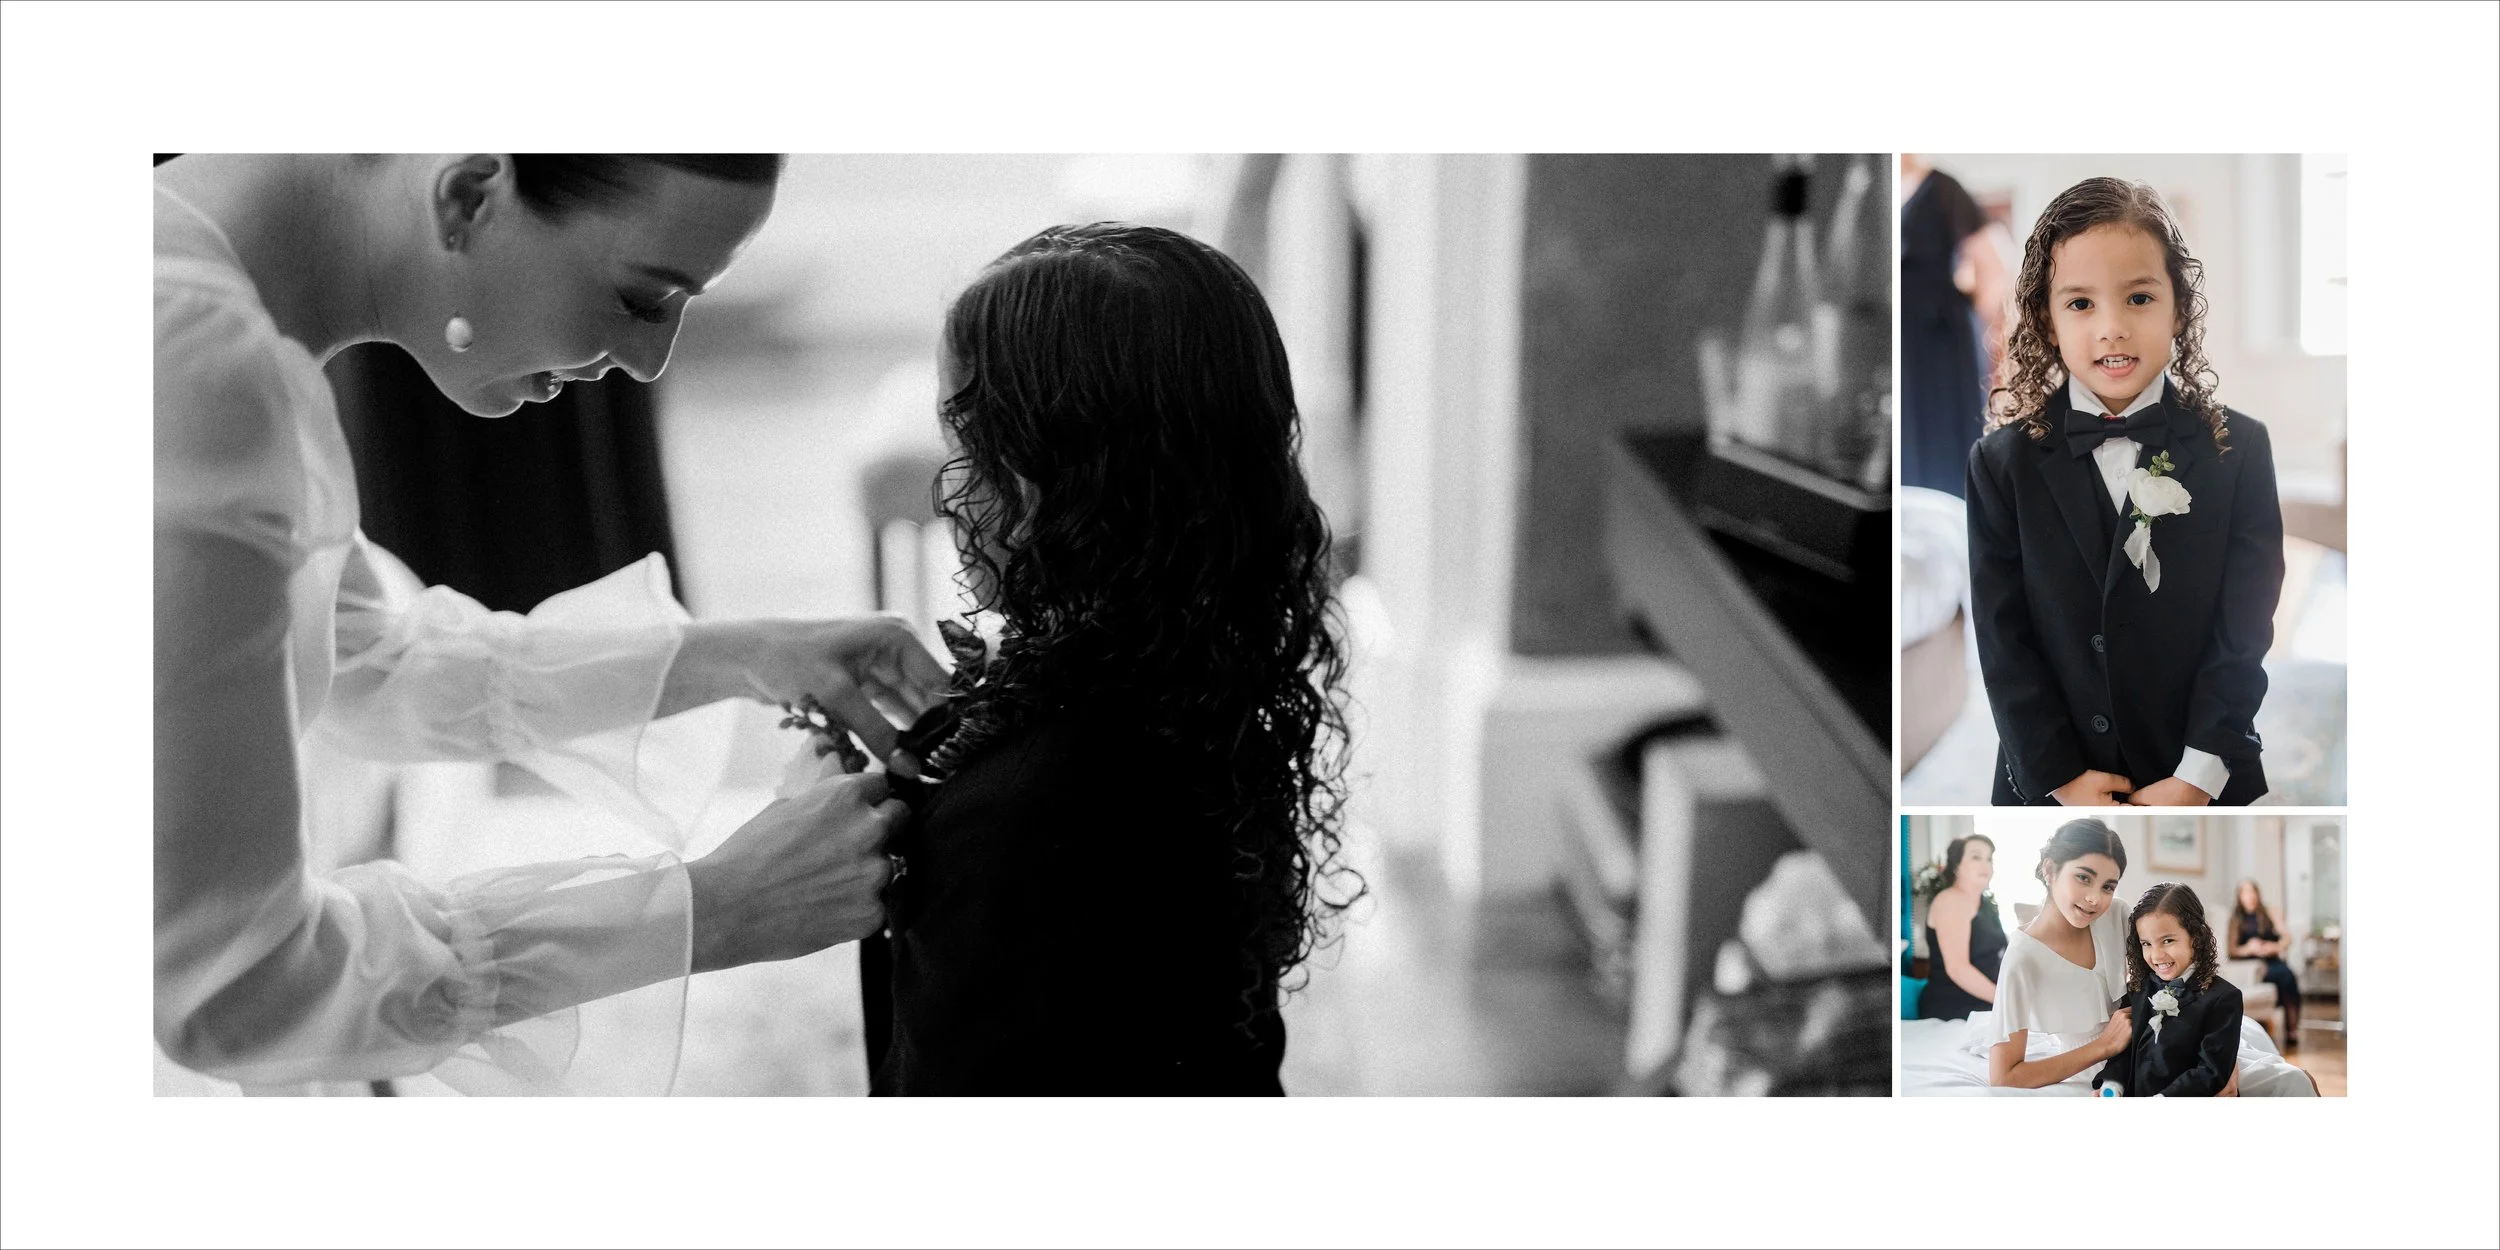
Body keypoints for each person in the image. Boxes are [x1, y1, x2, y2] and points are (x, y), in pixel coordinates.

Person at [154, 154, 950, 1094]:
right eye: (645, 296)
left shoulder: (220, 313)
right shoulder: (186, 362)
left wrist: (753, 654)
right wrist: (720, 907)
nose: (650, 361)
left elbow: (367, 661)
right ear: (471, 195)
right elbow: (235, 990)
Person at [869, 223, 1357, 1095]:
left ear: (1031, 484)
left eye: (959, 440)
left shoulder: (1022, 814)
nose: (946, 489)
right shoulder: (1198, 685)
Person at [1965, 177, 2285, 807]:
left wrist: (2200, 774)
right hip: (2056, 778)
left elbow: (2244, 628)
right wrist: (2060, 779)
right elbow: (2003, 641)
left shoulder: (2241, 451)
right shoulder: (2000, 464)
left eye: (2139, 298)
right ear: (2046, 321)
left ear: (2178, 310)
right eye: (2081, 304)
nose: (2112, 328)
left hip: (2197, 769)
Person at [1984, 819, 2139, 1089]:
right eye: (2083, 878)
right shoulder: (2023, 958)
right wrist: (2105, 1046)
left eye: (2107, 886)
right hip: (2092, 1071)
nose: (2094, 898)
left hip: (2149, 1044)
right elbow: (2003, 1076)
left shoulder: (2118, 915)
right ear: (2050, 870)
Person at [1897, 154, 2007, 497]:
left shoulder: (1944, 188)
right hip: (1903, 342)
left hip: (1940, 340)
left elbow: (1996, 268)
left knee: (1942, 435)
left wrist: (1984, 334)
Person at [2096, 882, 2240, 1097]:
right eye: (2146, 944)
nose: (2156, 955)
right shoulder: (2138, 990)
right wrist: (2112, 1086)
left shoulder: (2224, 998)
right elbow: (2124, 1052)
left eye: (2168, 941)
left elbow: (2211, 1071)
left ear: (2196, 937)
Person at [1917, 834, 2005, 1021]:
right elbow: (1958, 969)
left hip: (1987, 1003)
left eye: (1989, 859)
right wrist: (2007, 1002)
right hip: (1955, 1007)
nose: (1986, 865)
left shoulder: (1986, 904)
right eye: (1976, 857)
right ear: (1957, 866)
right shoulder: (1951, 900)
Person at [2229, 877, 2305, 1044]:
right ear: (2239, 897)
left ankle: (2292, 1030)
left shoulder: (2270, 912)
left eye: (2252, 891)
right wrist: (2249, 948)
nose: (2249, 896)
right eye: (2245, 892)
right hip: (2252, 965)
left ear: (2258, 894)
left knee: (2287, 977)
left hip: (2273, 960)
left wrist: (2273, 946)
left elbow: (2287, 938)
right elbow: (2232, 950)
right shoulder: (2236, 919)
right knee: (2272, 980)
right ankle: (2265, 1025)